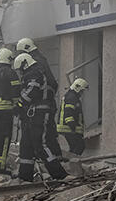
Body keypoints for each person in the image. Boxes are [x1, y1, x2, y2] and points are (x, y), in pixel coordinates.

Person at [15, 53, 68, 182]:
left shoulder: (34, 73)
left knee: (40, 143)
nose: (20, 73)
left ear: (24, 64)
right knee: (26, 145)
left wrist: (19, 104)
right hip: (31, 114)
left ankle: (59, 174)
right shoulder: (31, 74)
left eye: (20, 69)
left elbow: (31, 92)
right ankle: (25, 176)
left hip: (39, 113)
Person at [17, 38, 63, 163]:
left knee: (41, 139)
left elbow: (33, 88)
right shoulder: (40, 59)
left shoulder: (34, 64)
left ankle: (56, 169)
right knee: (36, 138)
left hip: (38, 108)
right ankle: (28, 171)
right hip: (44, 105)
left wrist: (21, 102)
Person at [57, 78, 88, 156]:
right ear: (77, 88)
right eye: (82, 90)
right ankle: (71, 164)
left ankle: (68, 163)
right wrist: (73, 127)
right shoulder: (72, 97)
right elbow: (68, 113)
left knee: (74, 147)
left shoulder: (71, 96)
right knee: (80, 146)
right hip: (69, 128)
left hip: (69, 128)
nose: (82, 93)